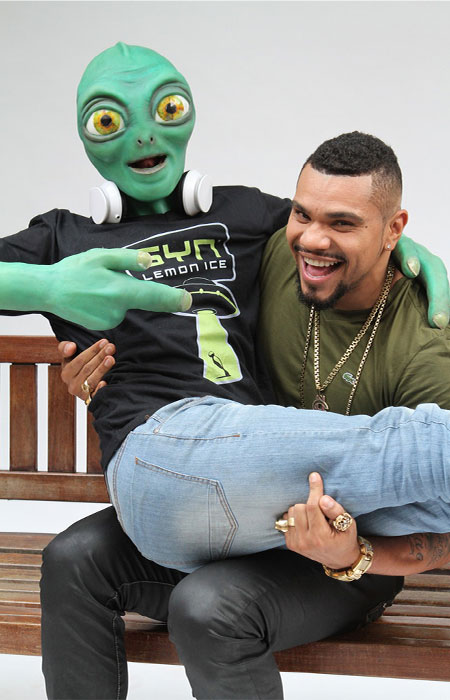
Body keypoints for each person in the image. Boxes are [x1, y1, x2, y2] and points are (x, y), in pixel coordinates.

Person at [0, 43, 448, 697]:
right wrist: (46, 286)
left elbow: (337, 227)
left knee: (209, 599)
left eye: (165, 110)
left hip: (268, 484)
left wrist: (405, 247)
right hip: (171, 461)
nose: (144, 136)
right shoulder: (63, 240)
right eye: (110, 120)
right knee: (74, 559)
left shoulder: (243, 215)